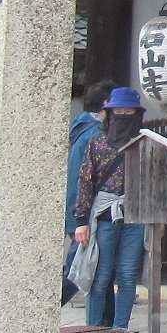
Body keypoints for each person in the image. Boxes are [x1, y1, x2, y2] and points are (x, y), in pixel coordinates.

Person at [72, 86, 149, 329]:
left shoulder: (144, 143)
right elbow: (85, 181)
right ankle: (94, 330)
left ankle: (121, 330)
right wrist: (81, 221)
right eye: (119, 111)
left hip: (135, 217)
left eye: (129, 111)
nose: (124, 115)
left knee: (127, 276)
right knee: (100, 275)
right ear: (109, 113)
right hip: (104, 216)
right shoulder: (96, 144)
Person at [62, 80, 113, 305]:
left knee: (94, 269)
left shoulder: (84, 130)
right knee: (78, 271)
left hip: (89, 213)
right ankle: (40, 312)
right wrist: (77, 221)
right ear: (106, 103)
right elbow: (77, 179)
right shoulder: (92, 134)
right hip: (86, 214)